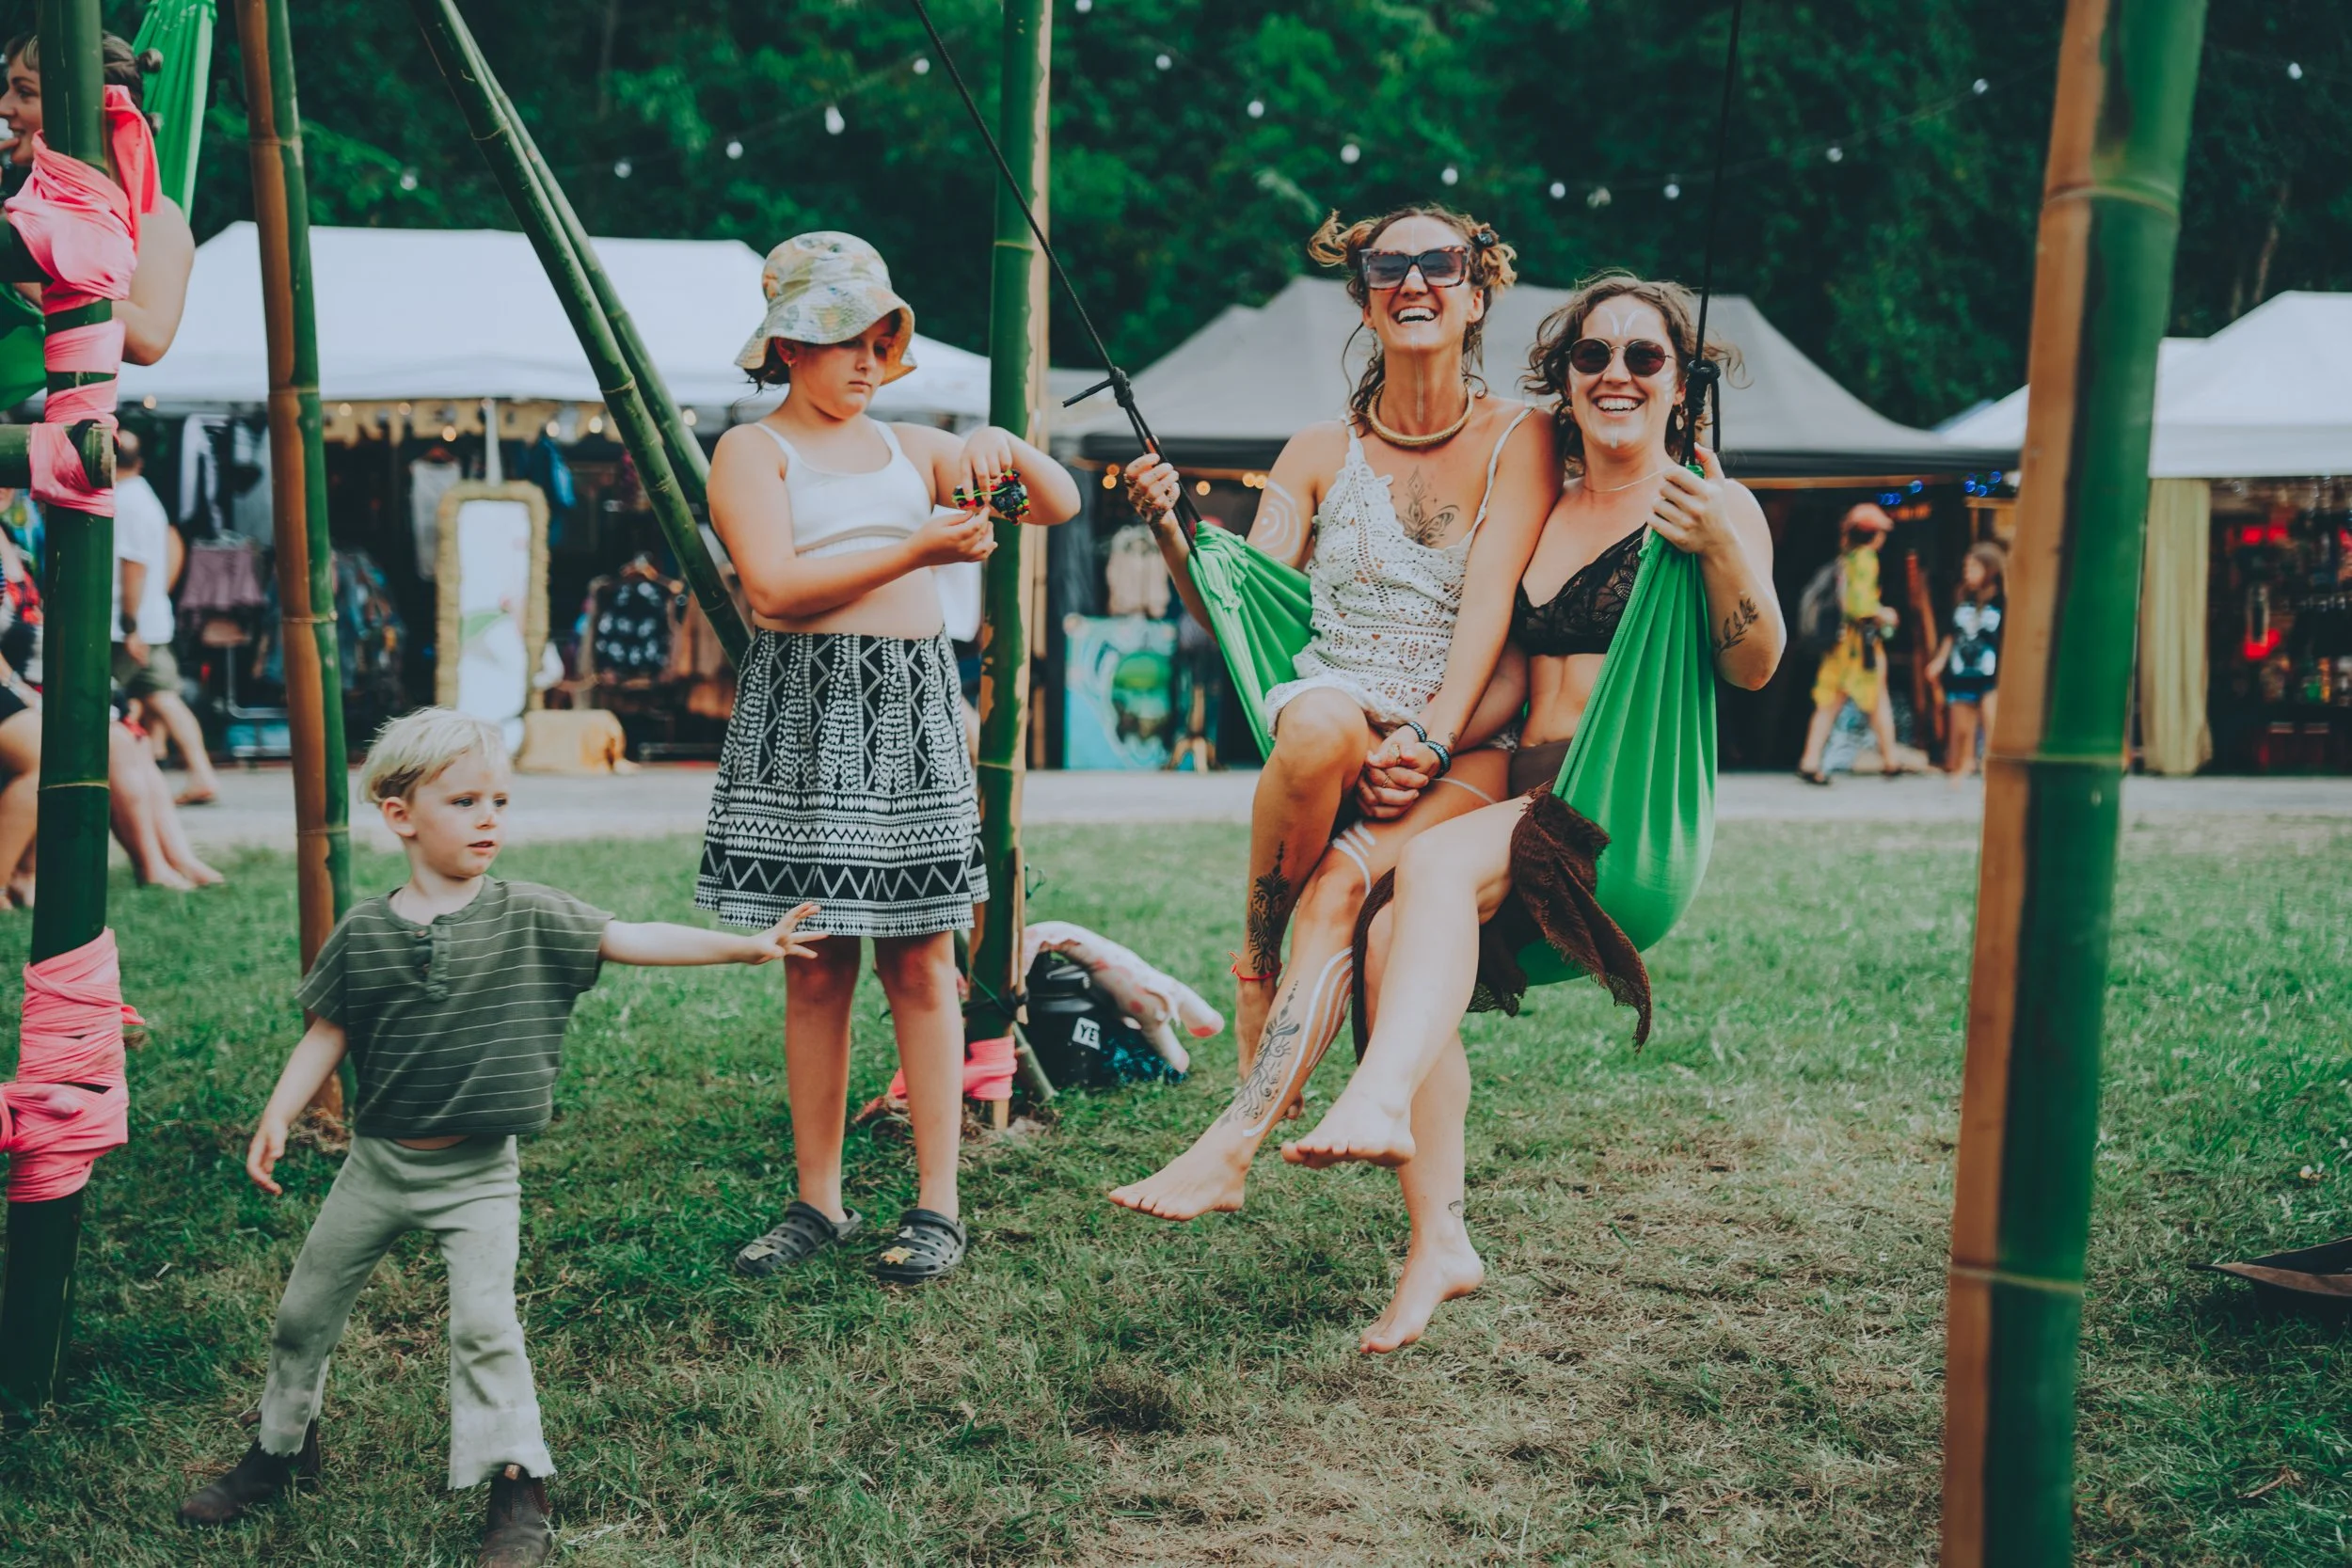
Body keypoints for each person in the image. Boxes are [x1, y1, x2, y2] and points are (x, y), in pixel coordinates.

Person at [176, 708, 818, 1564]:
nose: (490, 818)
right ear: (400, 812)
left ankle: (519, 1489)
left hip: (478, 1175)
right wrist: (279, 1112)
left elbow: (628, 937)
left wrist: (746, 949)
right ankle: (280, 1451)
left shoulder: (531, 915)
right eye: (466, 799)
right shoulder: (367, 931)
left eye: (501, 801)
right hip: (377, 1167)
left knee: (486, 1327)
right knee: (301, 1315)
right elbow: (326, 1029)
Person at [1278, 275, 1785, 1353]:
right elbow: (1504, 671)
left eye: (1642, 357)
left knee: (1422, 876)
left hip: (1619, 816)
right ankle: (1439, 1244)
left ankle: (1373, 1094)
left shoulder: (1707, 503)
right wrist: (1418, 742)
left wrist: (1723, 548)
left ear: (1678, 384)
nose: (1614, 374)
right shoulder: (1547, 508)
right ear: (1562, 379)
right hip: (1521, 796)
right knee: (1381, 935)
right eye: (1590, 356)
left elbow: (1753, 665)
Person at [1120, 204, 1553, 1132]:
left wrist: (1431, 739)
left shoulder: (1523, 439)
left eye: (1440, 264)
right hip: (1332, 696)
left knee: (1366, 897)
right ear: (1362, 303)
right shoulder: (1316, 453)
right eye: (1387, 268)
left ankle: (1348, 1093)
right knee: (1315, 725)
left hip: (1465, 722)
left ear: (1475, 296)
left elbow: (1490, 615)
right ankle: (1256, 967)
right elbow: (1241, 616)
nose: (1414, 282)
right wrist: (1166, 529)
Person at [700, 232, 1078, 1286]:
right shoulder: (751, 450)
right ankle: (816, 1196)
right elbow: (772, 589)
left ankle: (936, 1203)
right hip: (808, 711)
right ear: (786, 347)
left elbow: (1055, 504)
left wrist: (1005, 440)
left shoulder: (915, 447)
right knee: (817, 965)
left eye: (880, 339)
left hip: (909, 706)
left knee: (920, 958)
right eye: (841, 341)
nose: (866, 362)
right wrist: (916, 548)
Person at [0, 30, 196, 365]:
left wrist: (22, 270)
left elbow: (149, 337)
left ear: (79, 107)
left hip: (72, 412)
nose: (3, 107)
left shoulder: (152, 215)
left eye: (24, 92)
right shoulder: (21, 202)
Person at [111, 429, 219, 803]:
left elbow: (133, 567)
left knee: (101, 699)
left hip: (127, 625)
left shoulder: (125, 502)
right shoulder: (146, 498)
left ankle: (120, 779)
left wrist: (130, 624)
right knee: (163, 698)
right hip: (150, 619)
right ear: (139, 461)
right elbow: (174, 550)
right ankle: (201, 773)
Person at [1795, 504, 1905, 784]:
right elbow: (1860, 606)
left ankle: (1810, 759)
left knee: (1829, 703)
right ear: (1874, 535)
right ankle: (1890, 760)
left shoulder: (1845, 559)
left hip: (1839, 646)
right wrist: (1885, 614)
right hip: (1859, 647)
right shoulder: (1866, 559)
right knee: (1876, 699)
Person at [1928, 542, 2006, 777]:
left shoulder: (2003, 602)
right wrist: (1939, 661)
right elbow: (1951, 633)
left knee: (1991, 719)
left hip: (1989, 672)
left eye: (1974, 567)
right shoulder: (1963, 599)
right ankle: (1963, 763)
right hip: (1962, 669)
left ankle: (1991, 765)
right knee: (1962, 725)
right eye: (1966, 567)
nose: (1967, 573)